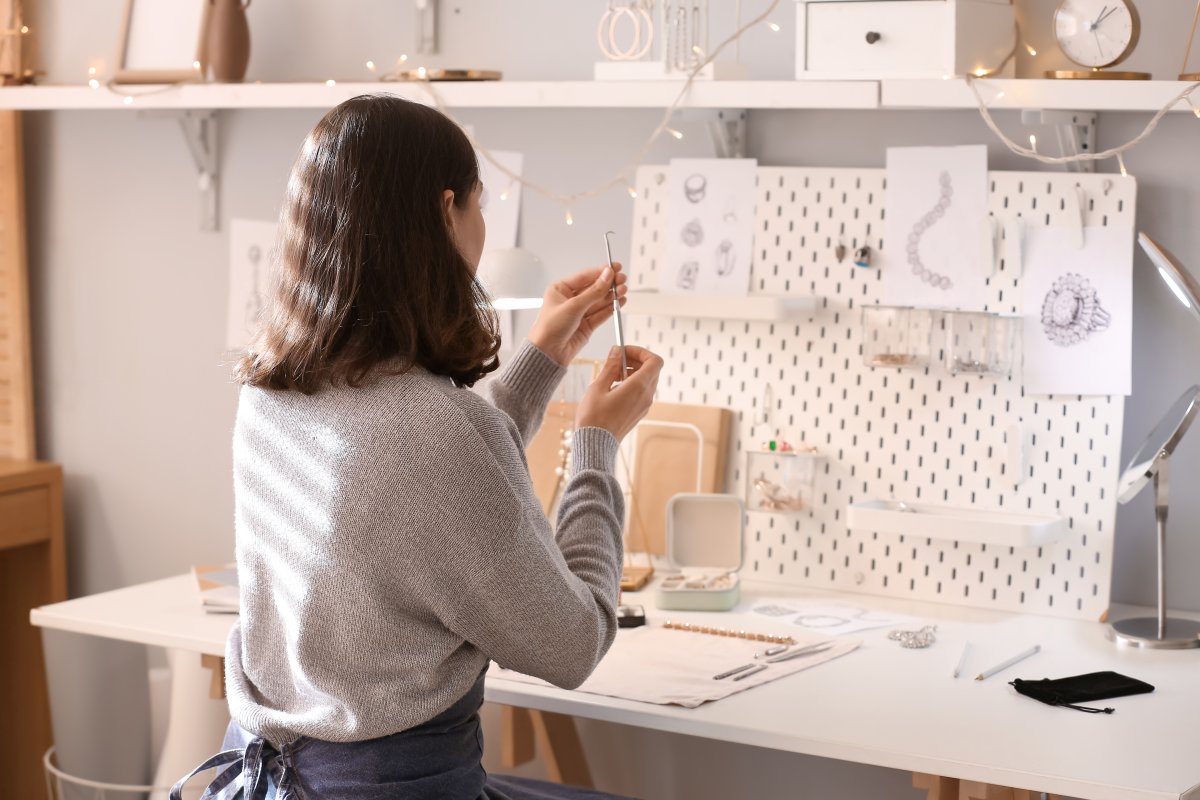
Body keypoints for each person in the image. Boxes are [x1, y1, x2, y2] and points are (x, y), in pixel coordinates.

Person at [172, 95, 663, 800]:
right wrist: (595, 446)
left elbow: (419, 477)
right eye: (478, 203)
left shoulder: (271, 395)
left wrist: (546, 353)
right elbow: (574, 644)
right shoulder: (436, 431)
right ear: (444, 213)